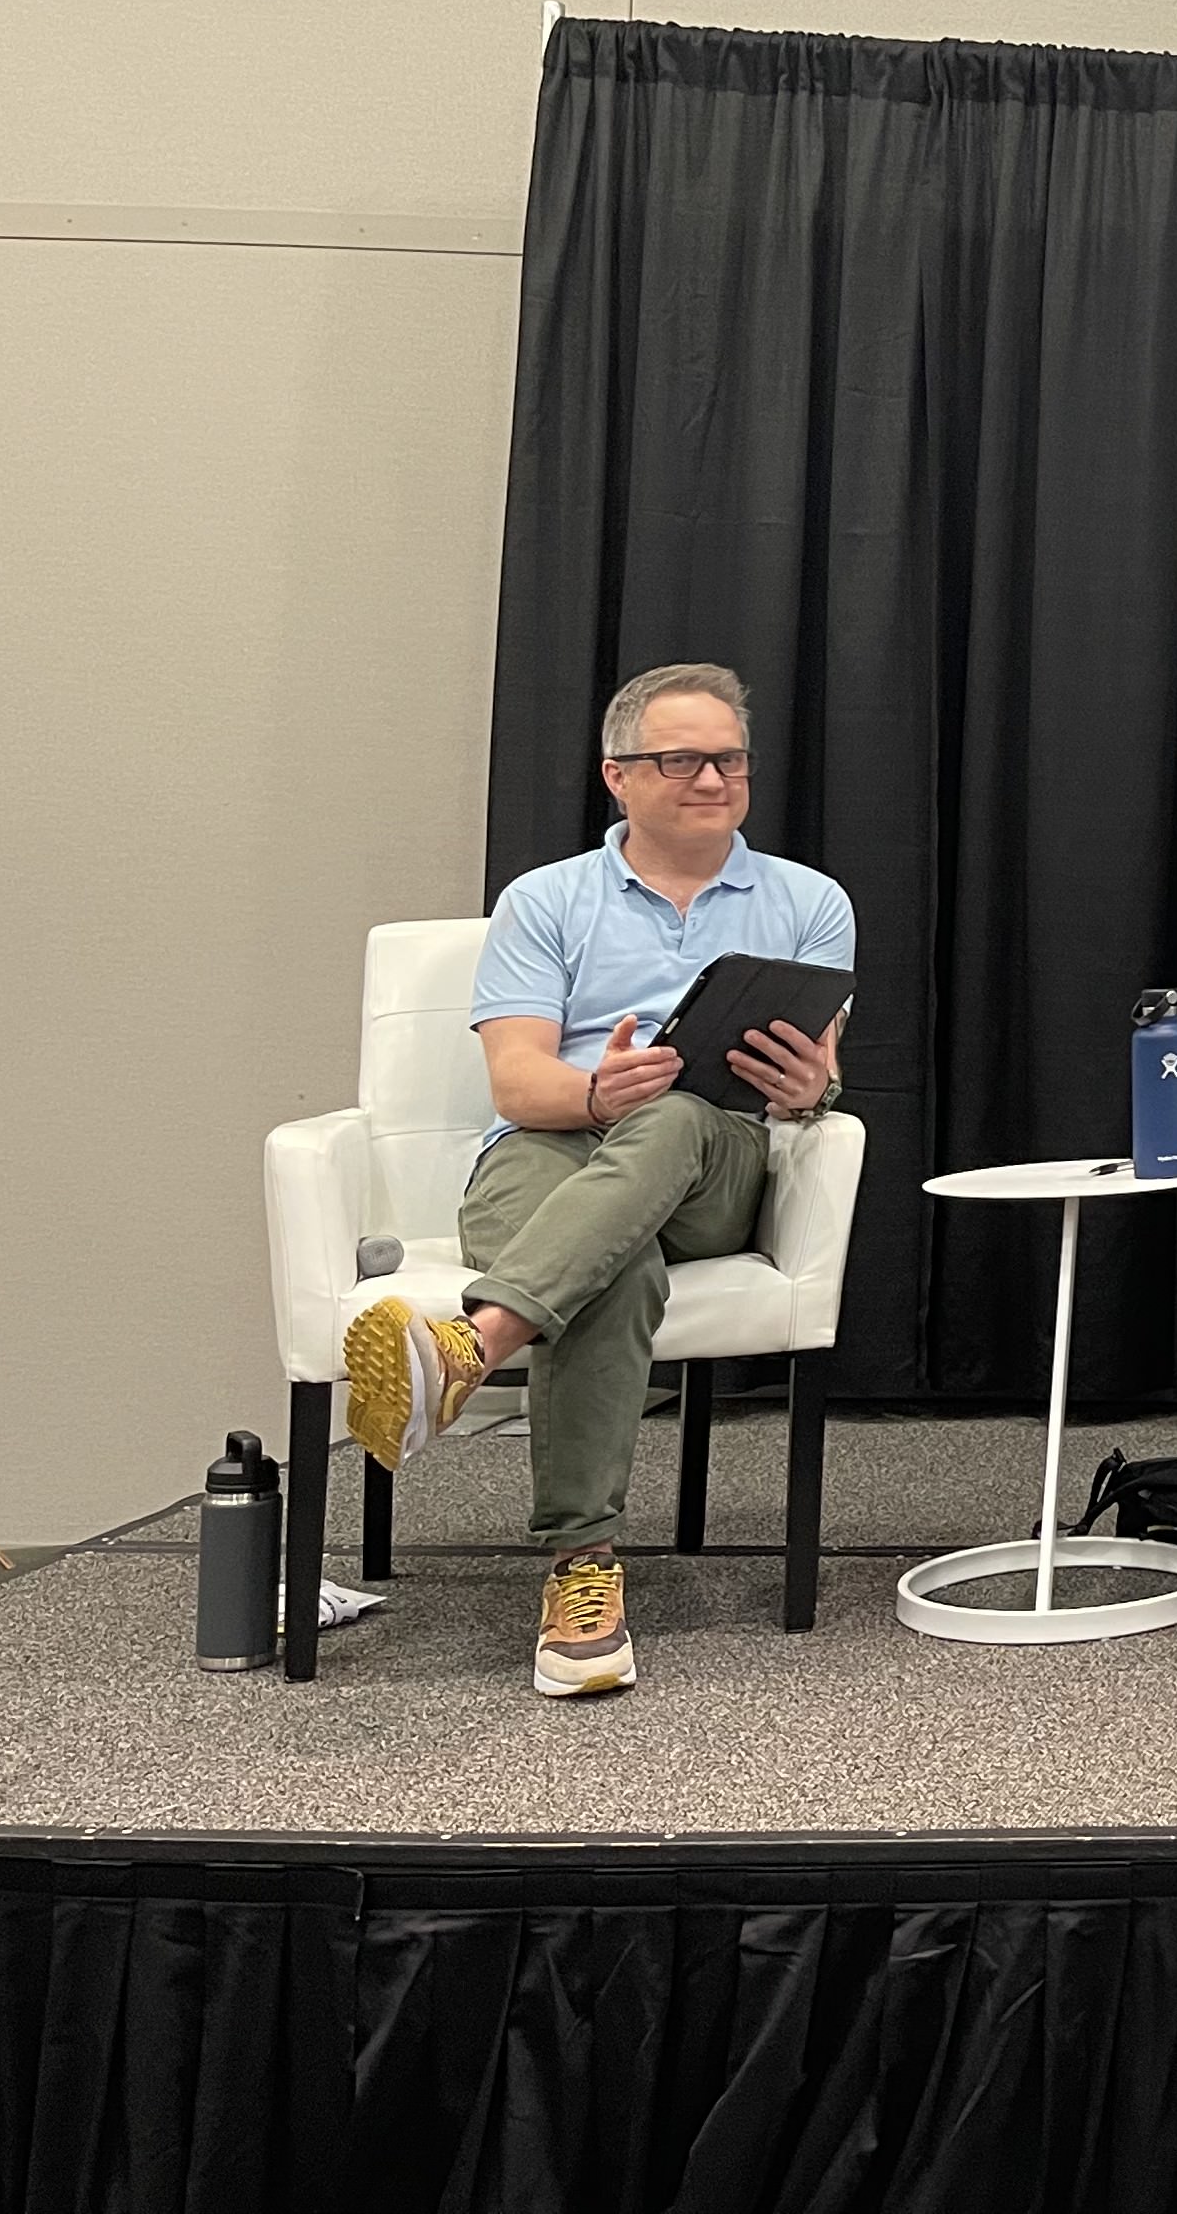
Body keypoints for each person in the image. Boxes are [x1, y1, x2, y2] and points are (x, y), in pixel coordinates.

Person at [345, 663, 853, 1699]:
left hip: (713, 1163)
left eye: (729, 758)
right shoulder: (546, 900)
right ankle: (584, 1575)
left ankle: (474, 1345)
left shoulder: (810, 902)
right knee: (609, 1271)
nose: (712, 778)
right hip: (548, 1150)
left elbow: (815, 1071)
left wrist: (812, 1089)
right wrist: (592, 1093)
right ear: (618, 776)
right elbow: (516, 1079)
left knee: (672, 1114)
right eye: (682, 759)